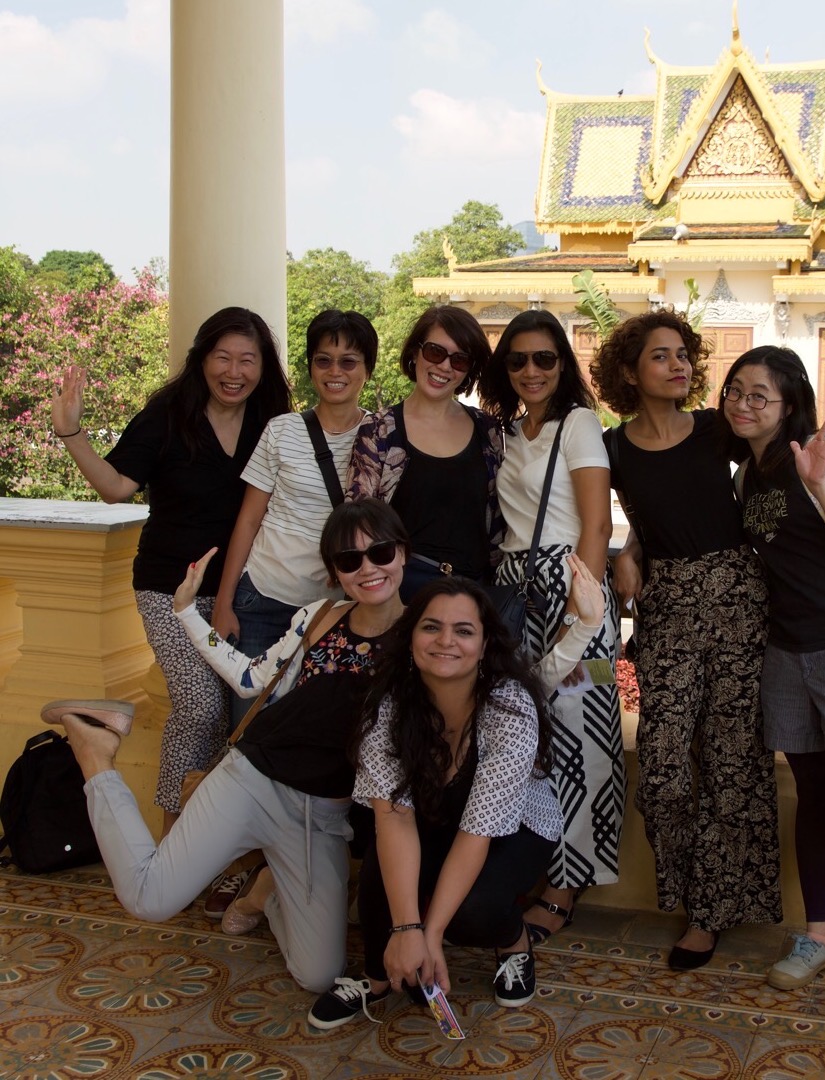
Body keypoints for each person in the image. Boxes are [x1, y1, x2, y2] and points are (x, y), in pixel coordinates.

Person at [589, 312, 825, 970]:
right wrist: (629, 549)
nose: (679, 365)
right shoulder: (613, 447)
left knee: (732, 766)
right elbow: (630, 518)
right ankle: (689, 889)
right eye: (661, 356)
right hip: (667, 609)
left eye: (684, 355)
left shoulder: (719, 431)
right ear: (630, 372)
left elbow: (793, 463)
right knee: (661, 769)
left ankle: (709, 913)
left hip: (739, 603)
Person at [41, 499, 409, 994]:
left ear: (402, 553)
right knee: (151, 898)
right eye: (349, 560)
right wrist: (185, 612)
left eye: (380, 552)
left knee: (319, 974)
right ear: (335, 574)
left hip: (322, 815)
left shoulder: (426, 639)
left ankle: (265, 890)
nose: (368, 568)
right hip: (253, 780)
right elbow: (249, 679)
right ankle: (96, 756)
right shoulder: (319, 618)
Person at [307, 558, 605, 1029]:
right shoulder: (388, 706)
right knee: (381, 879)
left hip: (513, 829)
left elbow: (477, 833)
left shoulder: (509, 708)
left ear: (485, 645)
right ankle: (377, 975)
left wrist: (431, 935)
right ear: (410, 640)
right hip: (430, 818)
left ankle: (512, 941)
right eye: (432, 627)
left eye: (464, 631)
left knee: (473, 912)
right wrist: (406, 929)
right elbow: (394, 819)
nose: (446, 641)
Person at [51, 308, 292, 837]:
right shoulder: (168, 414)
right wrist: (71, 433)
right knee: (200, 707)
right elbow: (117, 488)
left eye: (247, 360)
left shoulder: (272, 420)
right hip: (168, 589)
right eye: (222, 357)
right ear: (201, 359)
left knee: (236, 719)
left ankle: (212, 841)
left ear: (264, 367)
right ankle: (172, 835)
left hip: (244, 592)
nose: (234, 371)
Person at [716, 345, 825, 990]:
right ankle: (820, 934)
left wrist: (822, 478)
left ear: (789, 405)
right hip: (785, 654)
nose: (741, 403)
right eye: (734, 390)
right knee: (815, 797)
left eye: (759, 394)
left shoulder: (824, 460)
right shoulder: (748, 474)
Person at [477, 309, 622, 944]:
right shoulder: (503, 432)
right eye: (517, 360)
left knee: (581, 736)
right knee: (523, 741)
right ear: (502, 368)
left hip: (574, 598)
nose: (531, 370)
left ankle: (566, 887)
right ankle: (530, 869)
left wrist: (579, 617)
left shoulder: (579, 424)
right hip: (512, 599)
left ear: (562, 364)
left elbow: (596, 526)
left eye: (544, 359)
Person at [211, 309, 378, 715]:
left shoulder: (382, 438)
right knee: (248, 727)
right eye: (323, 360)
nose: (335, 371)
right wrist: (224, 601)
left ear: (367, 370)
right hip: (263, 600)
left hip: (335, 610)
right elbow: (249, 520)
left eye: (348, 361)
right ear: (310, 368)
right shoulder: (281, 430)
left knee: (318, 730)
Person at [347, 305, 504, 600]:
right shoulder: (380, 430)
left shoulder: (488, 430)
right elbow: (359, 524)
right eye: (435, 352)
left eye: (460, 360)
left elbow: (496, 522)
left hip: (473, 596)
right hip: (401, 595)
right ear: (416, 352)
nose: (445, 366)